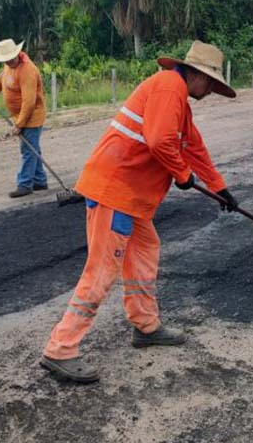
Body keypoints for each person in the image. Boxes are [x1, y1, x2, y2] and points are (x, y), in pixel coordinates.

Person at [41, 40, 237, 383]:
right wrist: (182, 176)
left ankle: (145, 326)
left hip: (130, 197)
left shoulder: (178, 99)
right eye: (210, 84)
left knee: (145, 250)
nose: (210, 91)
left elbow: (193, 147)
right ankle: (60, 350)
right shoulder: (168, 87)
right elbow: (160, 140)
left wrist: (219, 187)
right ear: (196, 75)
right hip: (115, 192)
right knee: (102, 270)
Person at [0, 39, 48, 198]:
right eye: (6, 60)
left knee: (27, 150)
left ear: (17, 54)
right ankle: (39, 180)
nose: (8, 62)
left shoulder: (28, 71)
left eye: (10, 58)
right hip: (20, 115)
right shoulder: (9, 66)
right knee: (33, 148)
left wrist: (19, 124)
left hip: (31, 116)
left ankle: (25, 184)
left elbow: (29, 102)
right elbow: (2, 78)